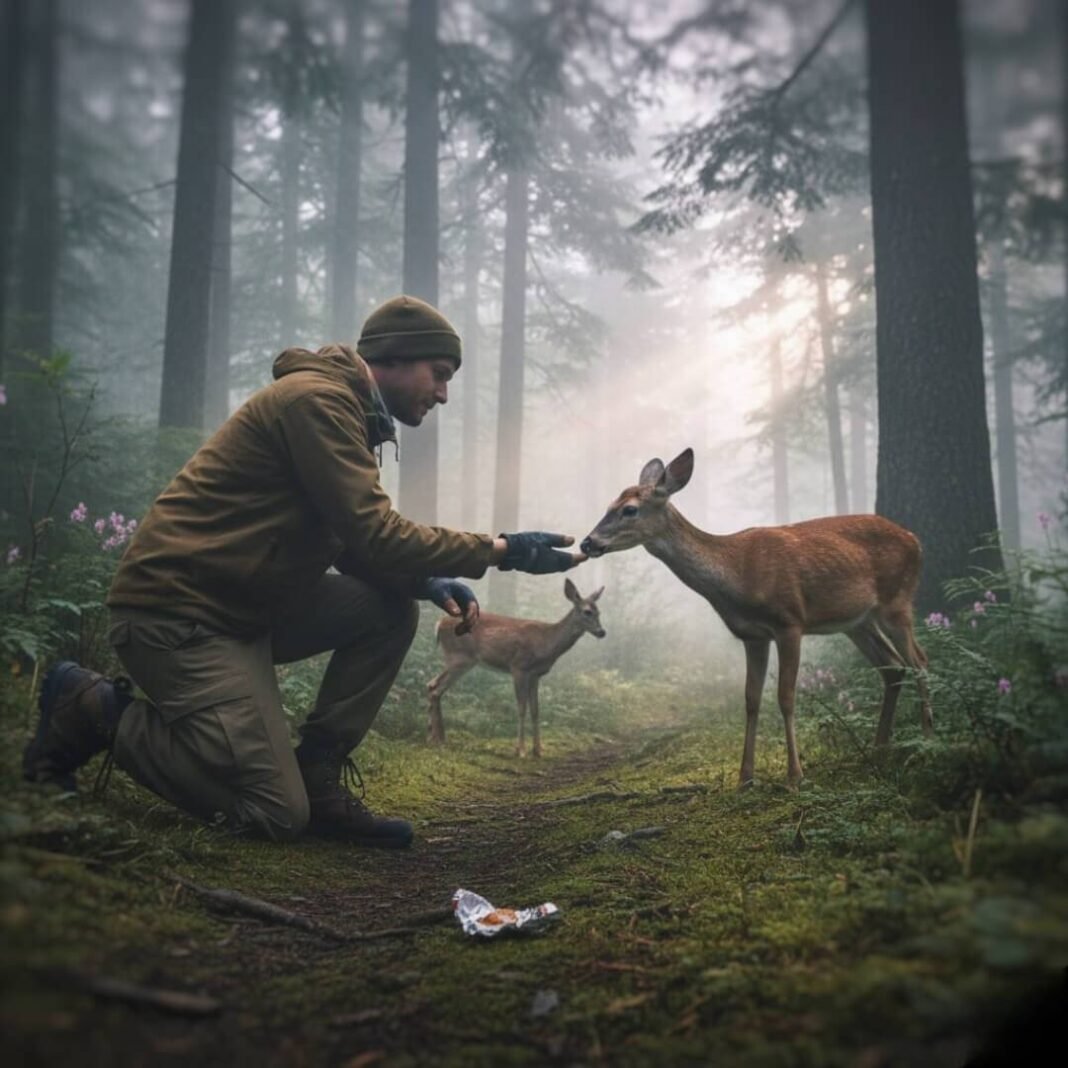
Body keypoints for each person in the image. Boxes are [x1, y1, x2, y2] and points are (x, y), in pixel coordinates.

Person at [23, 295, 584, 848]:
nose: (442, 394)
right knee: (273, 813)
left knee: (388, 610)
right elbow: (376, 530)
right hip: (178, 616)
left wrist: (424, 582)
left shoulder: (348, 414)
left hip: (242, 606)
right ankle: (94, 708)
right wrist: (501, 548)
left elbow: (351, 541)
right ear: (391, 358)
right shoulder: (315, 403)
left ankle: (318, 777)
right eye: (438, 374)